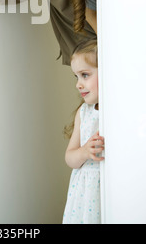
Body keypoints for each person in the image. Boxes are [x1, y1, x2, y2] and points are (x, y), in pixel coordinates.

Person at [62, 39, 104, 224]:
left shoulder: (117, 112)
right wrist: (84, 151)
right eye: (76, 77)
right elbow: (70, 158)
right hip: (86, 192)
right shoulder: (84, 112)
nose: (78, 84)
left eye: (85, 75)